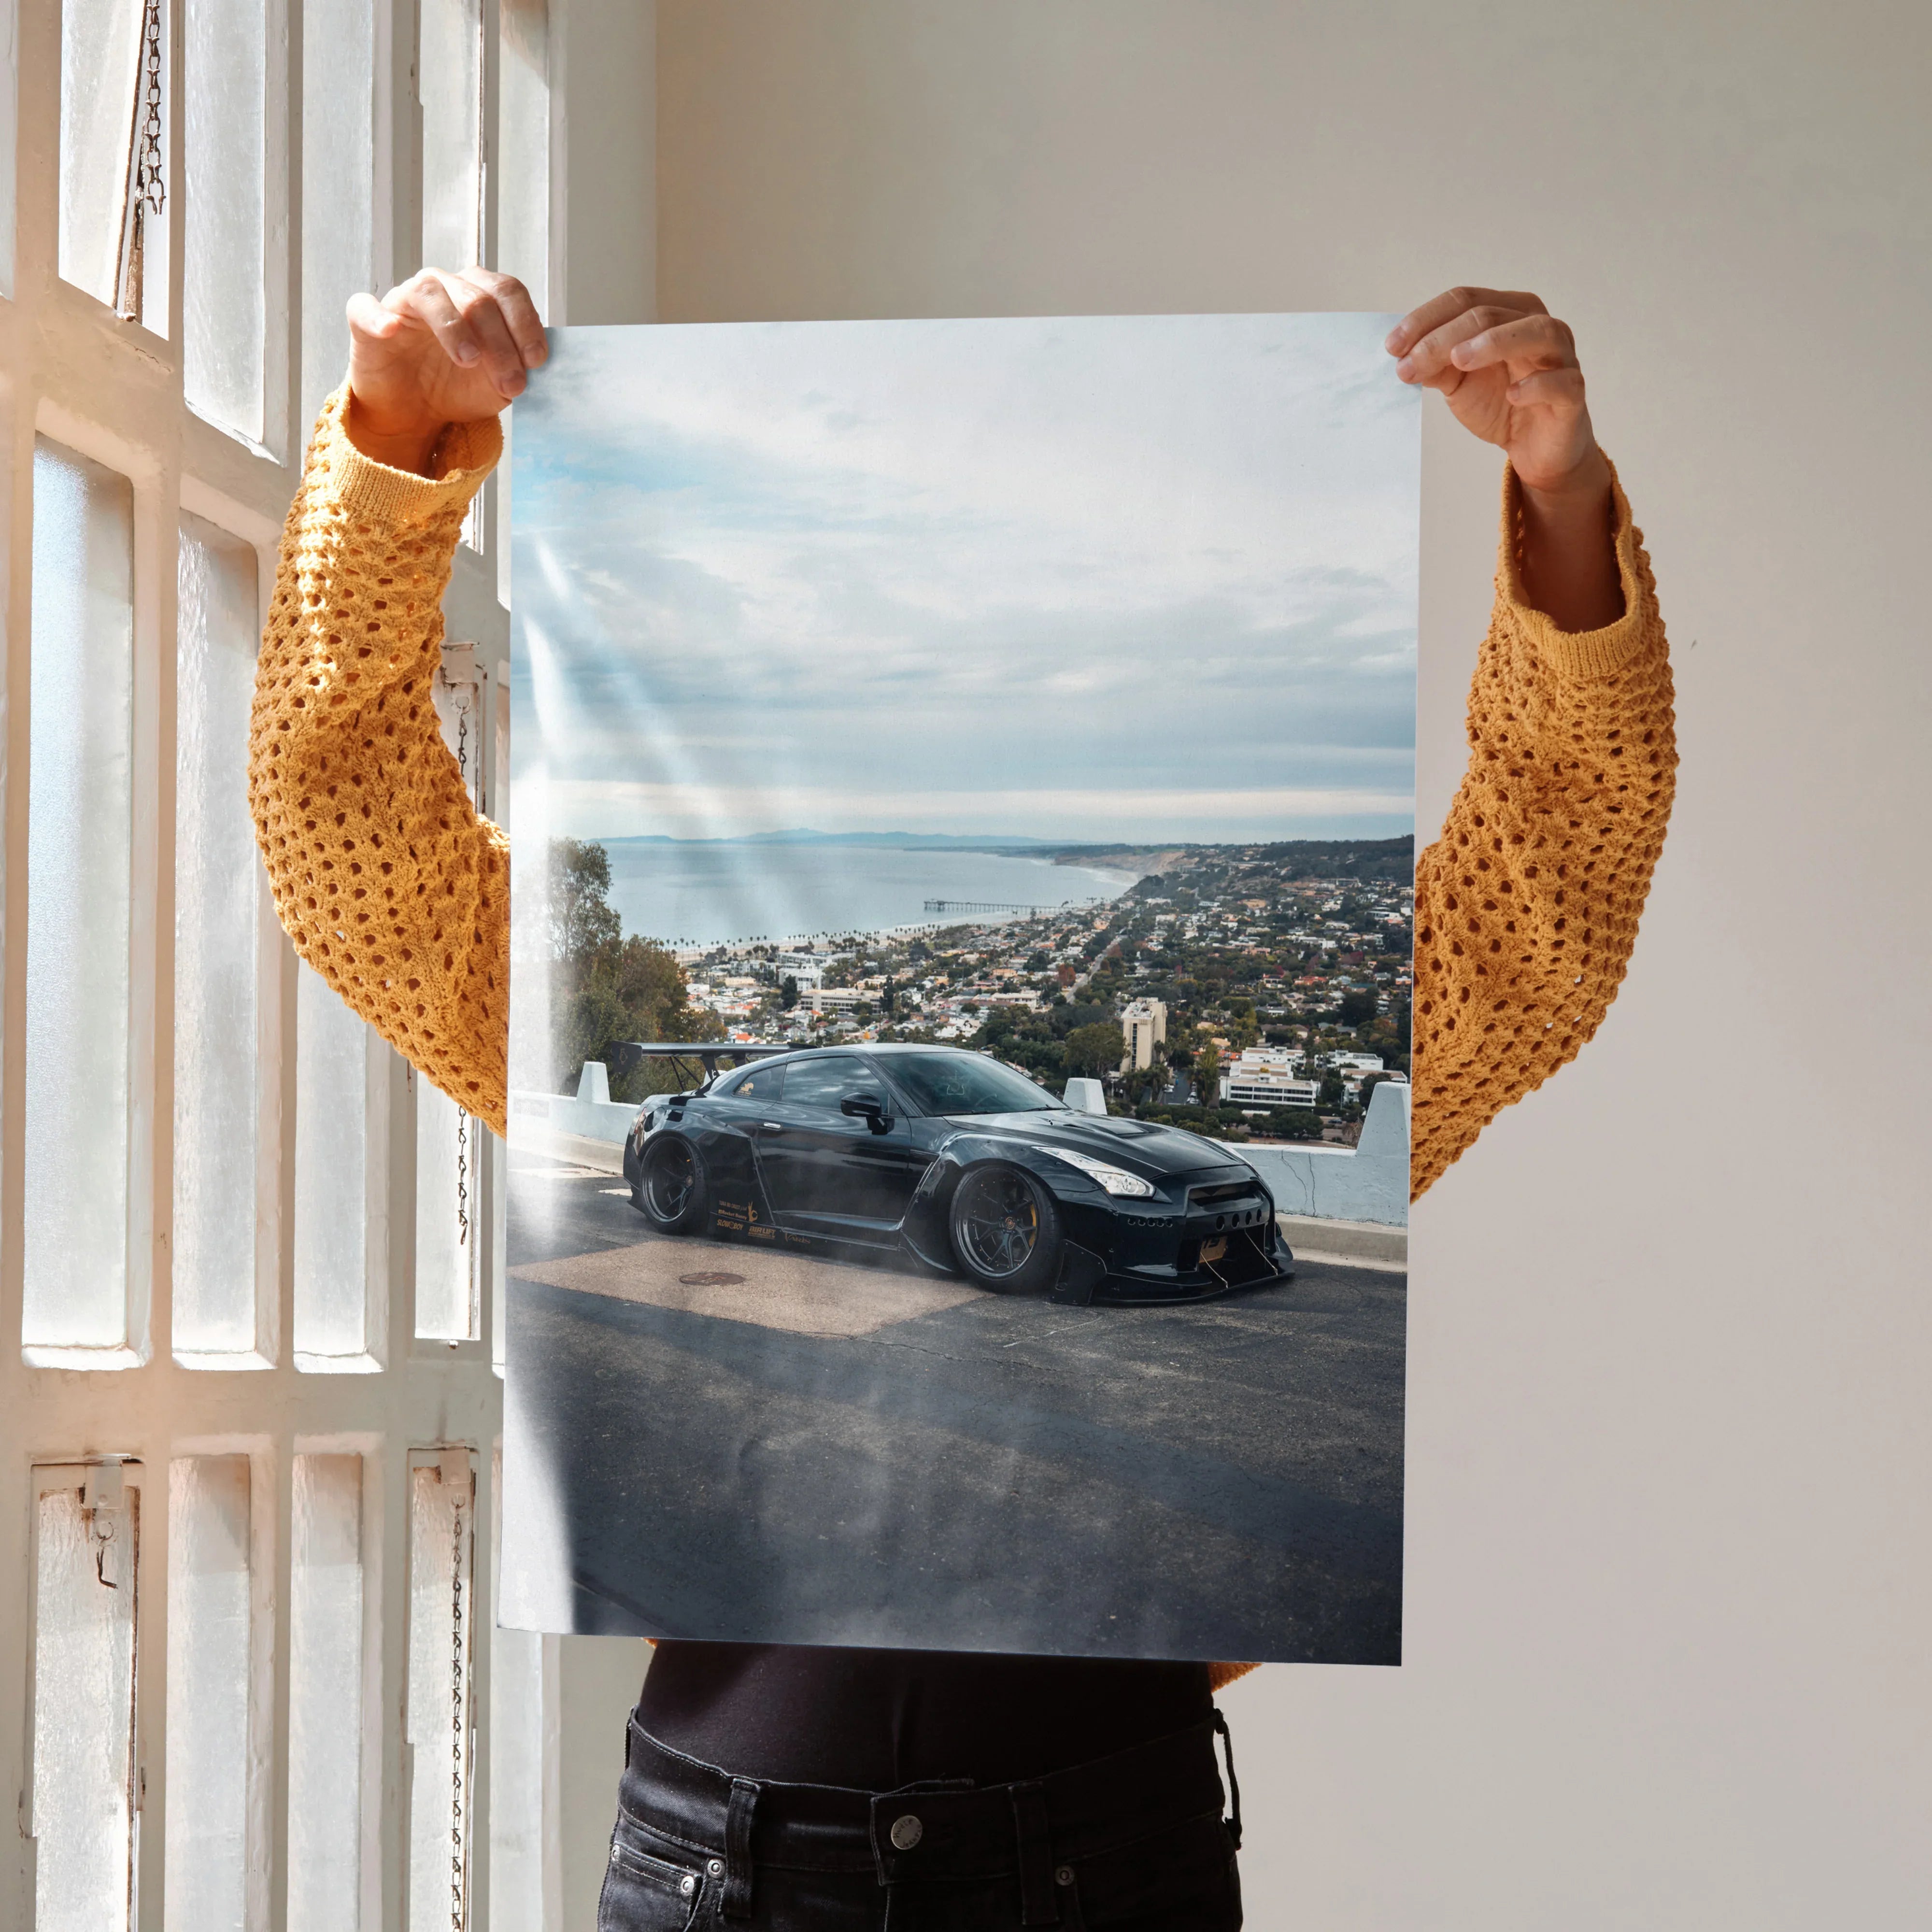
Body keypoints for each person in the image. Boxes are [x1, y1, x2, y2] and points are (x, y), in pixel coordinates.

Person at [249, 271, 1675, 1930]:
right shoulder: (683, 1058)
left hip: (1102, 1849)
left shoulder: (1077, 1129)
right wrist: (392, 445)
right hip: (731, 1863)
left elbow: (1546, 909)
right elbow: (345, 837)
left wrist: (1560, 494)